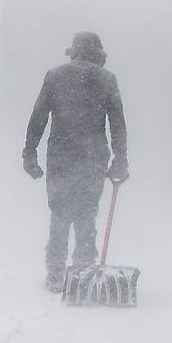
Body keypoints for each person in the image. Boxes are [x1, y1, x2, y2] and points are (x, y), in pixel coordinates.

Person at [22, 31, 128, 293]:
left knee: (59, 214)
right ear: (98, 54)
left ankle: (56, 275)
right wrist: (120, 160)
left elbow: (38, 117)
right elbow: (117, 125)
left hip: (61, 156)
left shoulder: (55, 76)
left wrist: (29, 153)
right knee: (86, 213)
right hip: (93, 158)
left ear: (73, 52)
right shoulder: (107, 80)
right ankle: (82, 271)